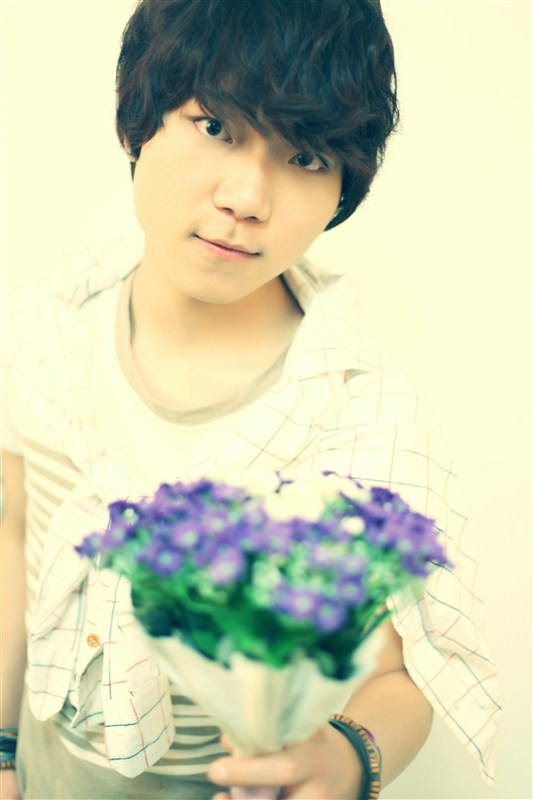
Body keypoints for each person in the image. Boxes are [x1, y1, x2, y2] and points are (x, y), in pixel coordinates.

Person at [0, 1, 501, 798]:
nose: (246, 197)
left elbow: (399, 672)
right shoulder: (51, 328)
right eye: (215, 127)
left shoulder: (354, 408)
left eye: (304, 155)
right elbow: (15, 533)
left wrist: (346, 759)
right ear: (138, 121)